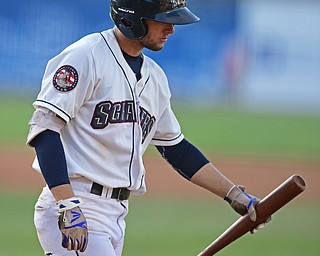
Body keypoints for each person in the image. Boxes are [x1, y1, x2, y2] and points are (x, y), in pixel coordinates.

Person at [26, 1, 267, 255]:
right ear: (134, 19)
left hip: (116, 215)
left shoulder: (155, 78)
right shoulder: (86, 56)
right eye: (164, 20)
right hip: (77, 204)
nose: (171, 29)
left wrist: (234, 195)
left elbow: (177, 150)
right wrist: (67, 204)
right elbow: (45, 128)